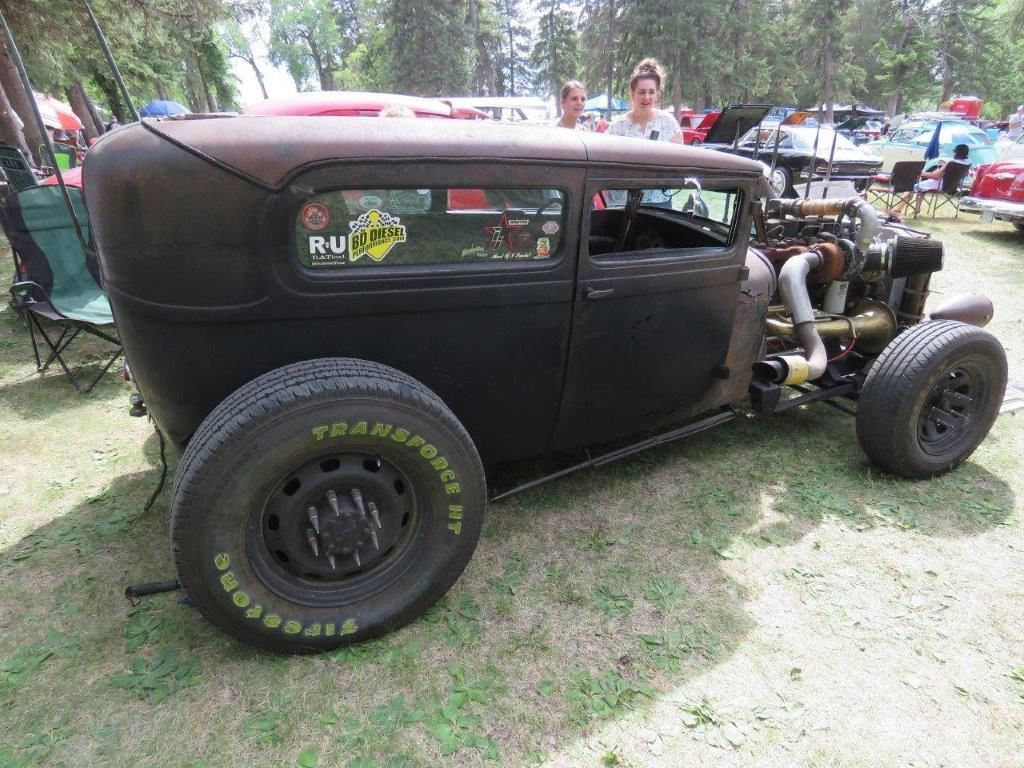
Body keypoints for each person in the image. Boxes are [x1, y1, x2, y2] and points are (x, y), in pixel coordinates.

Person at [605, 58, 681, 144]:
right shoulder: (616, 127)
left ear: (657, 94)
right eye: (642, 92)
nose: (646, 97)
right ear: (632, 94)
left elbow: (681, 156)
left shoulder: (669, 123)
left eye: (651, 92)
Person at [888, 143, 971, 218]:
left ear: (956, 152)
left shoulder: (951, 163)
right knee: (921, 187)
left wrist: (920, 173)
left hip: (940, 184)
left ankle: (897, 209)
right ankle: (916, 209)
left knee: (911, 187)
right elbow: (963, 174)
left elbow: (936, 176)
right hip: (952, 186)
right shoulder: (966, 164)